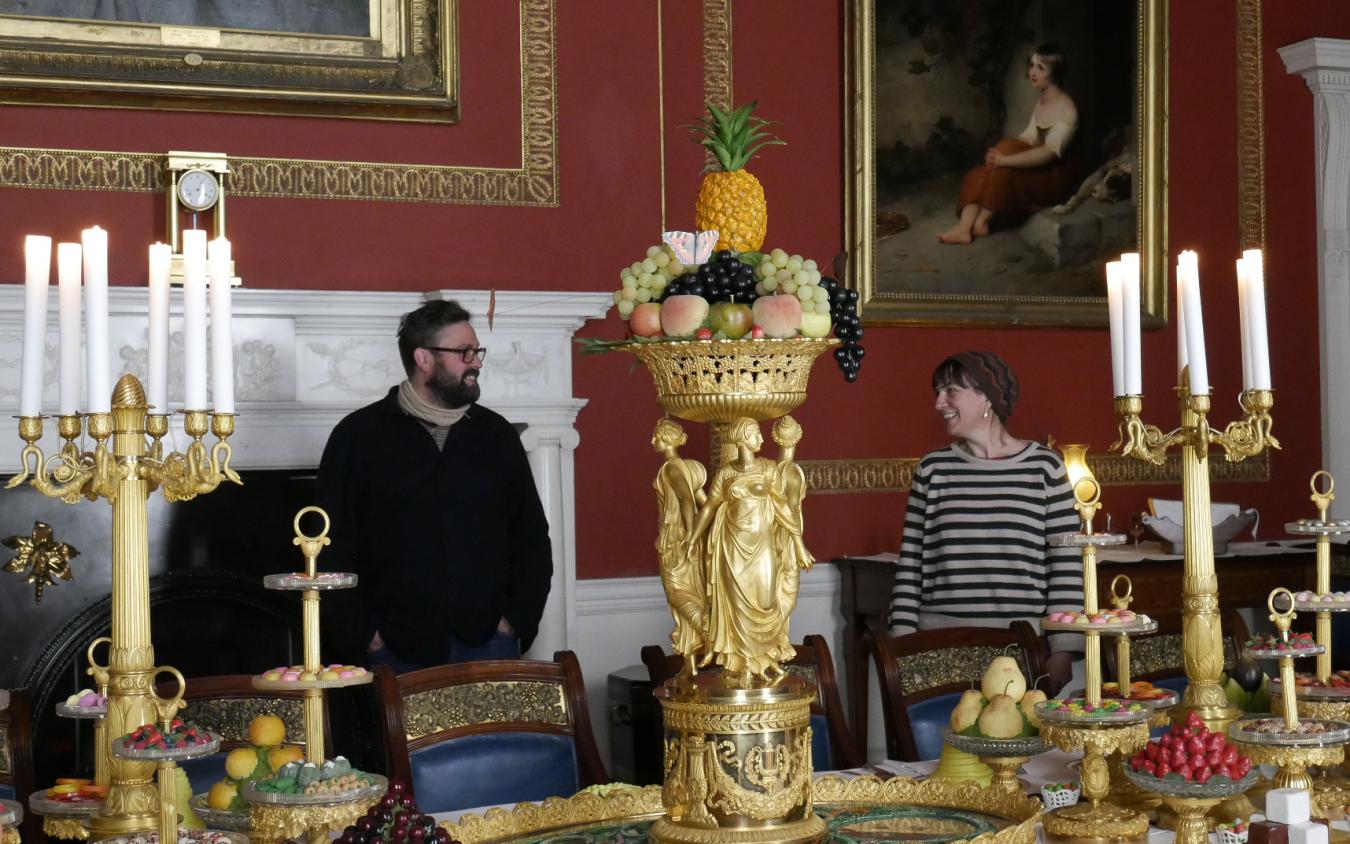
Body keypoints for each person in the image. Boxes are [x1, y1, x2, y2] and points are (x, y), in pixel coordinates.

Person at [316, 299, 552, 673]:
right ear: (424, 359)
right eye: (465, 352)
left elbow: (532, 539)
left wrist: (517, 621)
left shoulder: (496, 436)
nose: (477, 361)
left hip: (491, 643)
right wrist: (364, 635)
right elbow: (328, 549)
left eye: (477, 351)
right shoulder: (357, 437)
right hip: (394, 651)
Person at [889, 351, 1082, 684]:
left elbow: (1065, 567)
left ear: (986, 398)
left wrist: (1062, 651)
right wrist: (902, 646)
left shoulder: (1045, 468)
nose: (939, 403)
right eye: (938, 392)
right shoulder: (933, 469)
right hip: (938, 652)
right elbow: (910, 567)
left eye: (950, 391)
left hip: (1022, 650)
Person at [688, 417, 807, 685]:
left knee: (766, 600)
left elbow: (782, 507)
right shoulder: (726, 473)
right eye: (755, 435)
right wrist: (695, 537)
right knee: (736, 607)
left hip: (762, 547)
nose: (761, 440)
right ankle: (743, 665)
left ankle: (765, 657)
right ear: (742, 439)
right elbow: (709, 507)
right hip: (732, 548)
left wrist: (799, 544)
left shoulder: (768, 469)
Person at [938, 43, 1079, 245]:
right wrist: (999, 155)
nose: (1032, 72)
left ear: (1054, 73)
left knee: (1003, 165)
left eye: (1040, 68)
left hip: (1053, 179)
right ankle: (964, 228)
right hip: (1038, 167)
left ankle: (981, 220)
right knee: (981, 172)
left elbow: (1048, 153)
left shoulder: (1068, 110)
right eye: (1031, 65)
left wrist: (1006, 160)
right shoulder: (1042, 102)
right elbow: (1028, 138)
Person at [652, 417, 709, 675]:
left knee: (678, 594)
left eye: (657, 436)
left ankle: (710, 634)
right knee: (688, 595)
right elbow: (704, 502)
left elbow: (688, 502)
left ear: (668, 439)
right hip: (682, 540)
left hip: (677, 542)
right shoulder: (685, 468)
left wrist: (692, 536)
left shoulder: (673, 469)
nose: (653, 441)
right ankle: (690, 662)